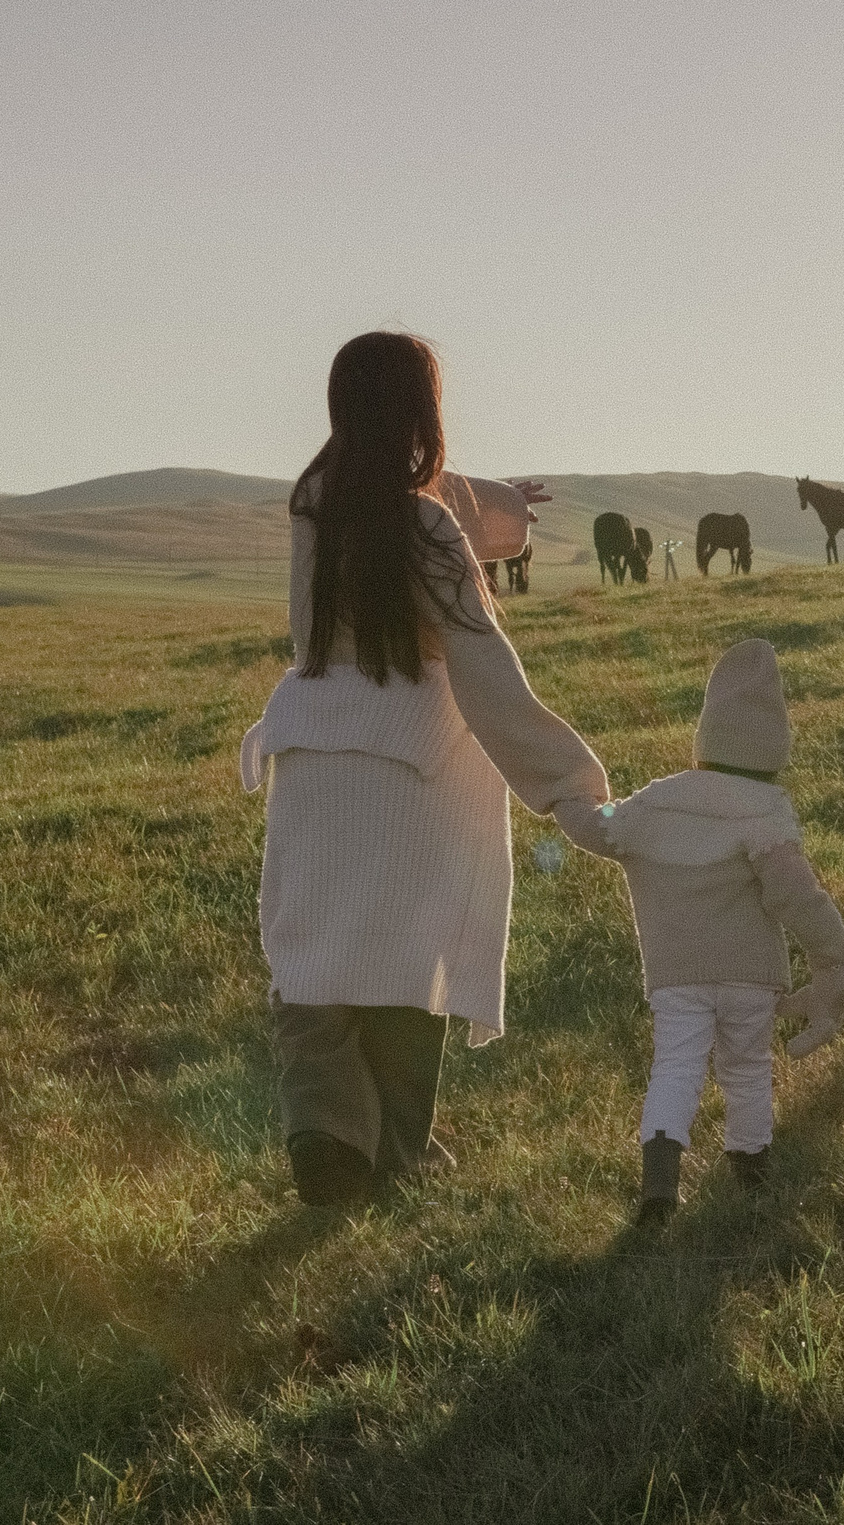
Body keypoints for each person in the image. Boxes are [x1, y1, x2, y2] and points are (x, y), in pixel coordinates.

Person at [239, 332, 608, 1206]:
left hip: (313, 757)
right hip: (411, 769)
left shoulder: (313, 504)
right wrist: (571, 783)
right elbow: (484, 669)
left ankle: (326, 1133)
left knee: (316, 964)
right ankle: (397, 1150)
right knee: (408, 964)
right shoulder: (426, 524)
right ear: (422, 411)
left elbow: (401, 506)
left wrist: (500, 501)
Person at [553, 639, 844, 1227]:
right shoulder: (767, 810)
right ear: (774, 748)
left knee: (675, 1065)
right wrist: (837, 957)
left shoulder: (657, 802)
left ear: (706, 738)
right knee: (747, 1066)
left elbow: (599, 830)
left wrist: (566, 797)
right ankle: (751, 1168)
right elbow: (799, 898)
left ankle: (659, 1186)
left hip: (677, 975)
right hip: (752, 976)